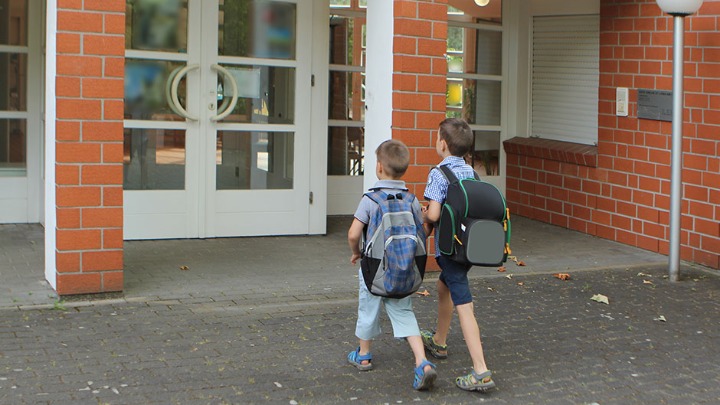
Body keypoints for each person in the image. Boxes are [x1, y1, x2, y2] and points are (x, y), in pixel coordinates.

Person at [346, 139, 437, 391]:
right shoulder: (411, 200)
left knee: (368, 309)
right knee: (404, 312)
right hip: (404, 269)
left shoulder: (370, 200)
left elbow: (353, 233)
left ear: (378, 167)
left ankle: (363, 356)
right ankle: (422, 362)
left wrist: (356, 252)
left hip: (373, 269)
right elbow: (422, 232)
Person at [420, 118, 496, 392]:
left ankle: (480, 370)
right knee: (445, 287)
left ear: (442, 144)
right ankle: (439, 341)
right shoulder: (471, 172)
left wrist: (423, 213)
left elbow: (435, 214)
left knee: (464, 304)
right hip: (468, 248)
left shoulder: (439, 173)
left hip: (449, 251)